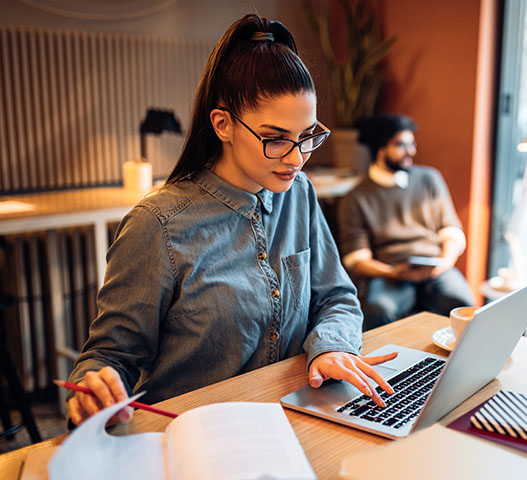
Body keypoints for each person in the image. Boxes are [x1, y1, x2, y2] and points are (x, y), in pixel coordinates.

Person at [66, 14, 397, 427]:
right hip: (196, 438)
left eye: (307, 136)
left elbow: (336, 298)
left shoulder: (300, 193)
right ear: (223, 124)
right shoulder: (158, 225)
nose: (296, 159)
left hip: (293, 419)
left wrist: (331, 347)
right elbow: (110, 356)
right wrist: (97, 390)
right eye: (276, 139)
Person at [337, 114, 475, 331]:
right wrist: (392, 273)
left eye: (412, 143)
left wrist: (443, 264)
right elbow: (357, 260)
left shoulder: (429, 179)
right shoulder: (356, 198)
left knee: (465, 308)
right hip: (391, 272)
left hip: (436, 268)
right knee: (377, 310)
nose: (411, 151)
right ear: (379, 148)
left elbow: (452, 231)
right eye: (401, 145)